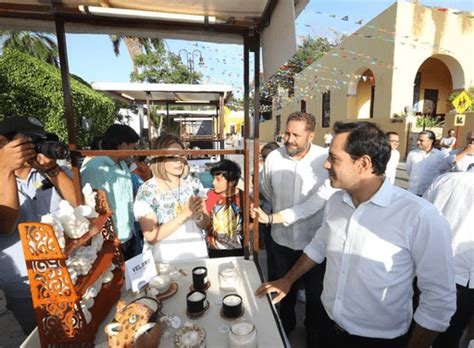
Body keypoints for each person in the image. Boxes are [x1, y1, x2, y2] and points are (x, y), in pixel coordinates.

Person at [256, 121, 456, 348]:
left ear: (363, 163)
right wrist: (288, 279)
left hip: (379, 341)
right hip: (326, 326)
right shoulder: (336, 201)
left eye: (334, 158)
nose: (325, 164)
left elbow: (439, 300)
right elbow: (319, 245)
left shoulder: (420, 216)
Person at [0, 116, 78, 335]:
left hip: (66, 271)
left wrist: (52, 169)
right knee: (44, 337)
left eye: (37, 140)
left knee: (75, 333)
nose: (34, 147)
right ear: (3, 143)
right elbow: (5, 225)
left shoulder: (47, 169)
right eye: (27, 141)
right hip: (24, 285)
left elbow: (79, 205)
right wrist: (4, 169)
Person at [259, 112, 330, 346]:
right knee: (283, 295)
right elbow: (267, 191)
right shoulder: (273, 158)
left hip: (315, 245)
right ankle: (284, 331)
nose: (289, 139)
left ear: (311, 135)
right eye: (287, 133)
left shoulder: (325, 160)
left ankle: (314, 337)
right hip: (281, 242)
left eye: (296, 135)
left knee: (315, 298)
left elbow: (316, 204)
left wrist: (272, 218)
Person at [133, 134, 209, 262]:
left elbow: (205, 223)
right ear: (159, 158)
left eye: (181, 155)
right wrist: (184, 215)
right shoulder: (147, 191)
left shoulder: (193, 183)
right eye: (172, 157)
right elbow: (151, 236)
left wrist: (199, 217)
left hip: (197, 257)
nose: (179, 161)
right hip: (164, 262)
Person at [424, 171, 474, 348]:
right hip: (464, 281)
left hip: (426, 269)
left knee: (419, 327)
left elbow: (421, 218)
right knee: (451, 335)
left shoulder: (447, 179)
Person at [81, 124, 139, 260]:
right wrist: (110, 237)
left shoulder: (123, 164)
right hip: (110, 239)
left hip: (127, 233)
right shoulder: (96, 168)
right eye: (133, 146)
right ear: (123, 145)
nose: (134, 151)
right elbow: (94, 207)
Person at [205, 159, 244, 258]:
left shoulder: (243, 198)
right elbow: (205, 220)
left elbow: (251, 222)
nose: (213, 183)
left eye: (218, 179)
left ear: (232, 182)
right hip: (214, 249)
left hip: (237, 249)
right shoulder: (209, 196)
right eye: (213, 178)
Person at [406, 130, 451, 196]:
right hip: (412, 191)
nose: (418, 142)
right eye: (418, 140)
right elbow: (409, 170)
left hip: (429, 193)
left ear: (430, 141)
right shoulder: (412, 154)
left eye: (421, 140)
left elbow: (444, 173)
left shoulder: (441, 155)